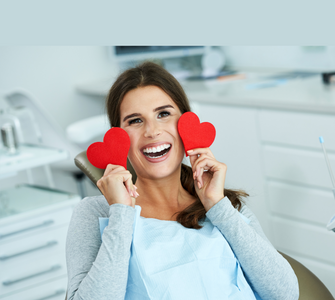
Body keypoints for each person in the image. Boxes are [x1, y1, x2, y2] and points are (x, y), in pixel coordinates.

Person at [65, 62, 299, 300]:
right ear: (119, 137)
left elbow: (285, 294)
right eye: (135, 120)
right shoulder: (97, 213)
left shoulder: (222, 204)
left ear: (186, 126)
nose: (152, 131)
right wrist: (121, 215)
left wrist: (217, 206)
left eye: (163, 114)